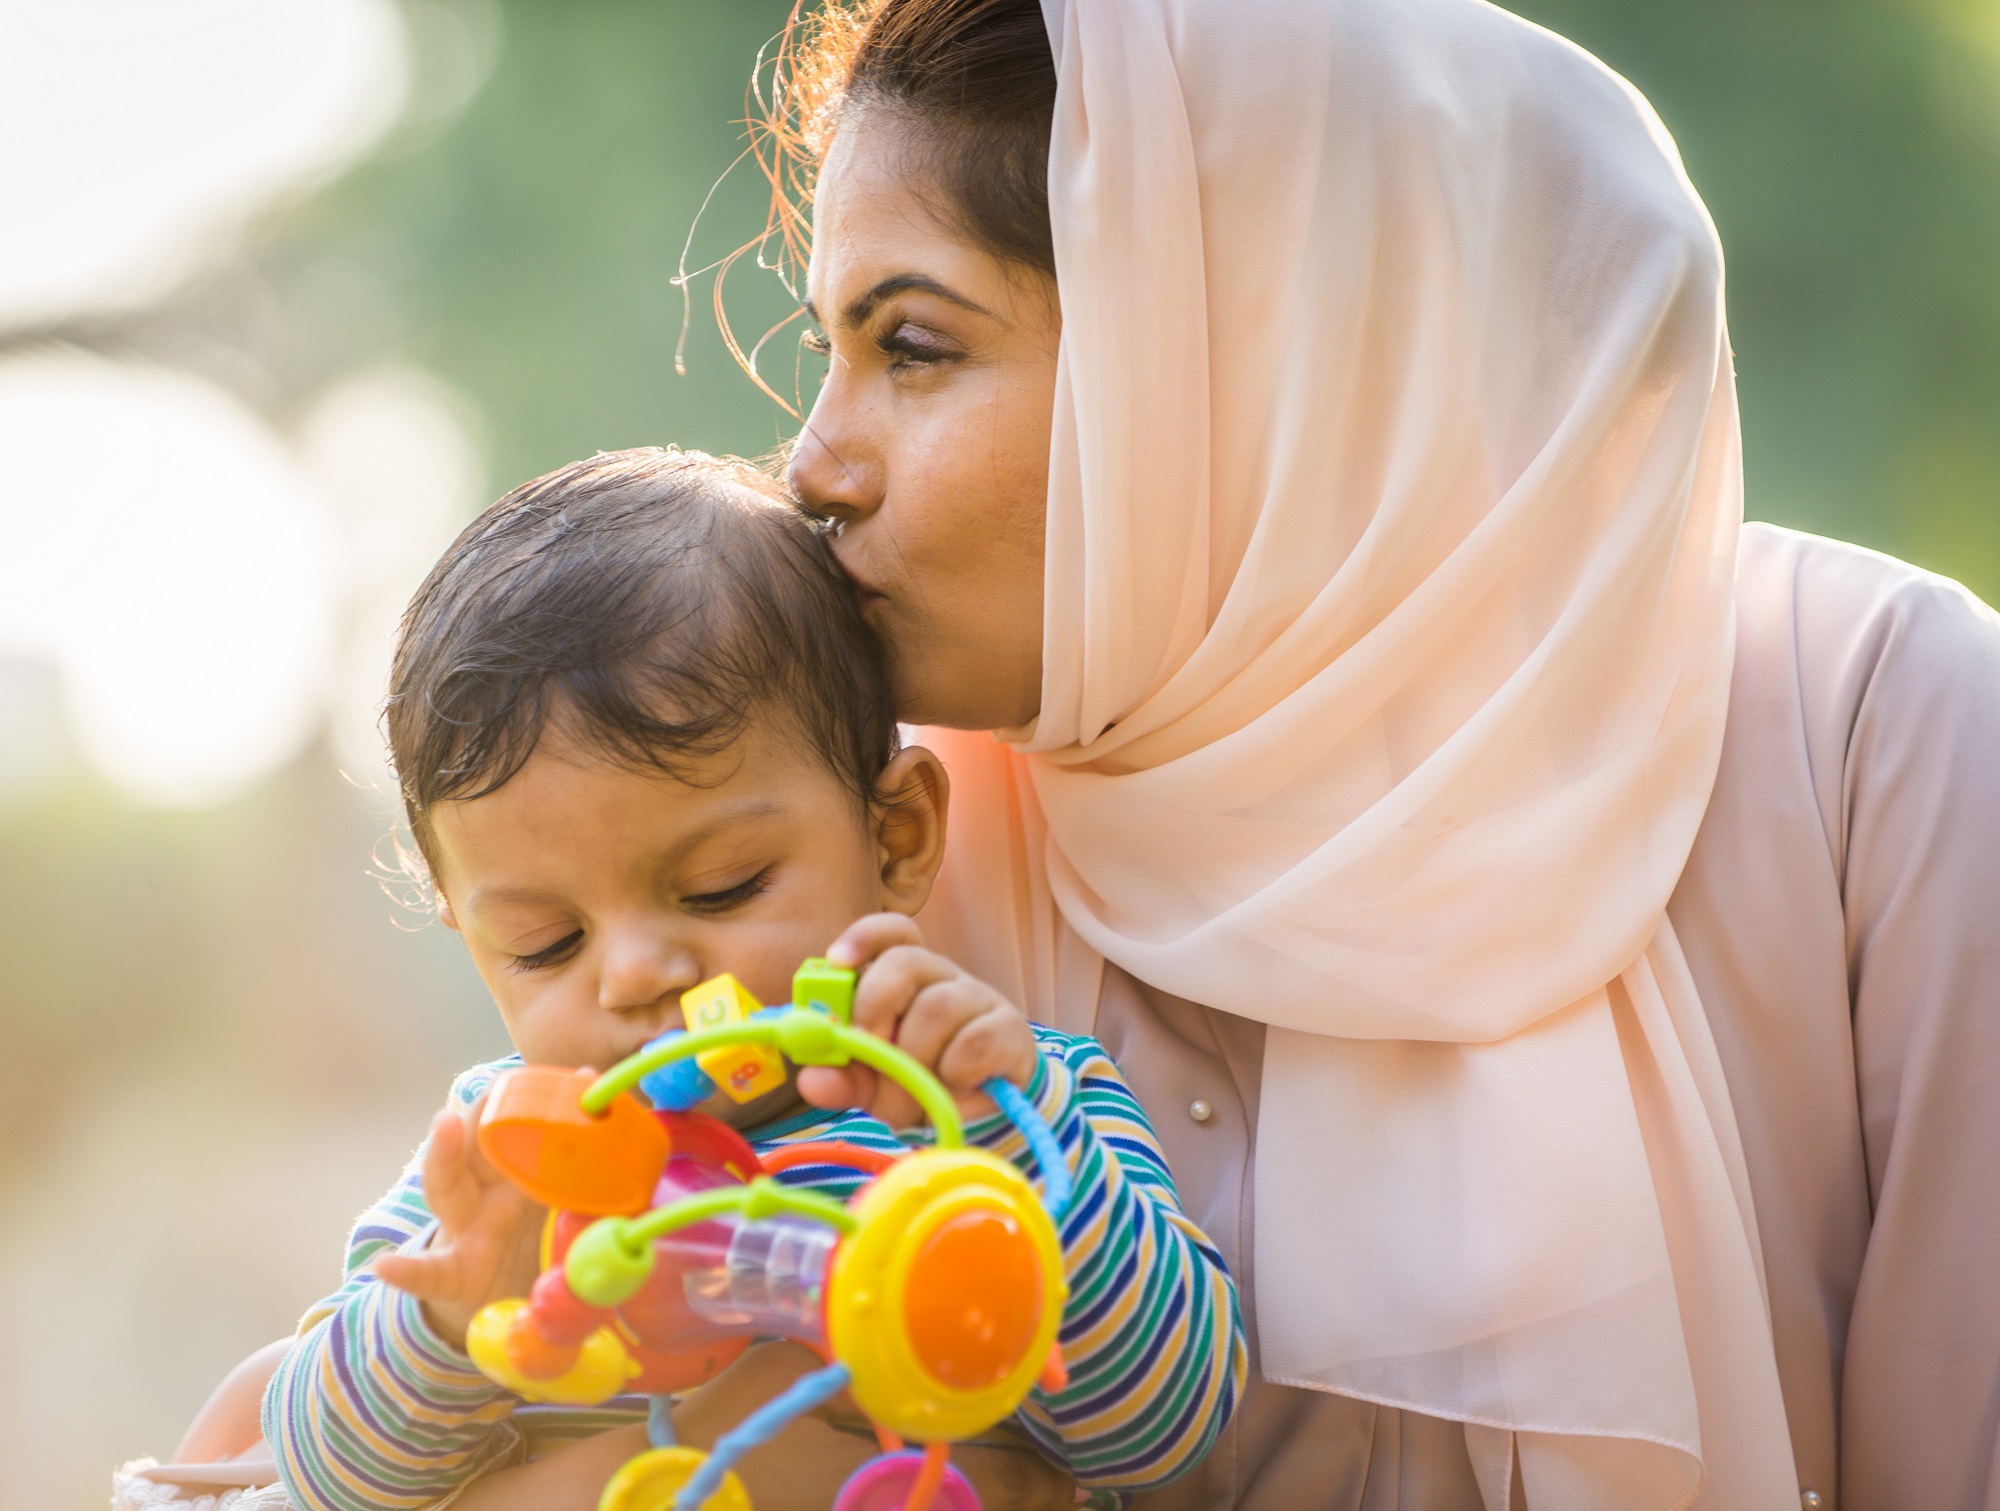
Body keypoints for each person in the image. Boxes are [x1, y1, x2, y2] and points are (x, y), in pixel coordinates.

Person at [776, 1, 2000, 1508]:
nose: (811, 464)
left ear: (1238, 345)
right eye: (825, 351)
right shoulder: (889, 846)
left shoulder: (1870, 727)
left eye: (910, 345)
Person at [260, 447, 1246, 1511]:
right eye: (547, 942)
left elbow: (1165, 1429)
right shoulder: (509, 1165)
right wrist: (446, 1324)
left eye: (721, 886)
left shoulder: (1013, 1100)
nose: (636, 974)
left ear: (897, 832)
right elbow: (325, 1476)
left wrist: (1002, 1143)